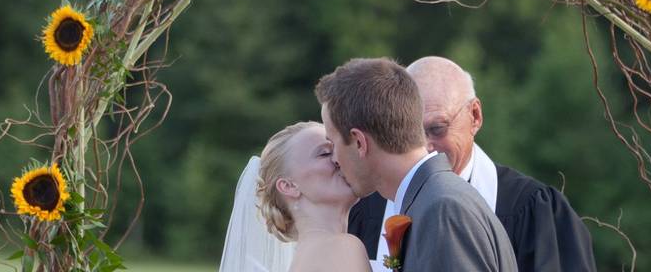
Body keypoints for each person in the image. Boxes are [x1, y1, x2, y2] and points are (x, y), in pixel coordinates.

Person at [348, 56, 597, 272]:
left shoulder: (532, 212)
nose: (424, 146)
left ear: (475, 116)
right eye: (410, 131)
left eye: (437, 128)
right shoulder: (370, 207)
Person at [317, 58, 518, 272]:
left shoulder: (442, 212)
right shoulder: (433, 200)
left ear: (359, 142)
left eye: (333, 142)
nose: (335, 160)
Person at [219, 121, 370, 272]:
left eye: (339, 148)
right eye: (324, 153)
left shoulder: (306, 257)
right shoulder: (341, 247)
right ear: (288, 186)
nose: (339, 158)